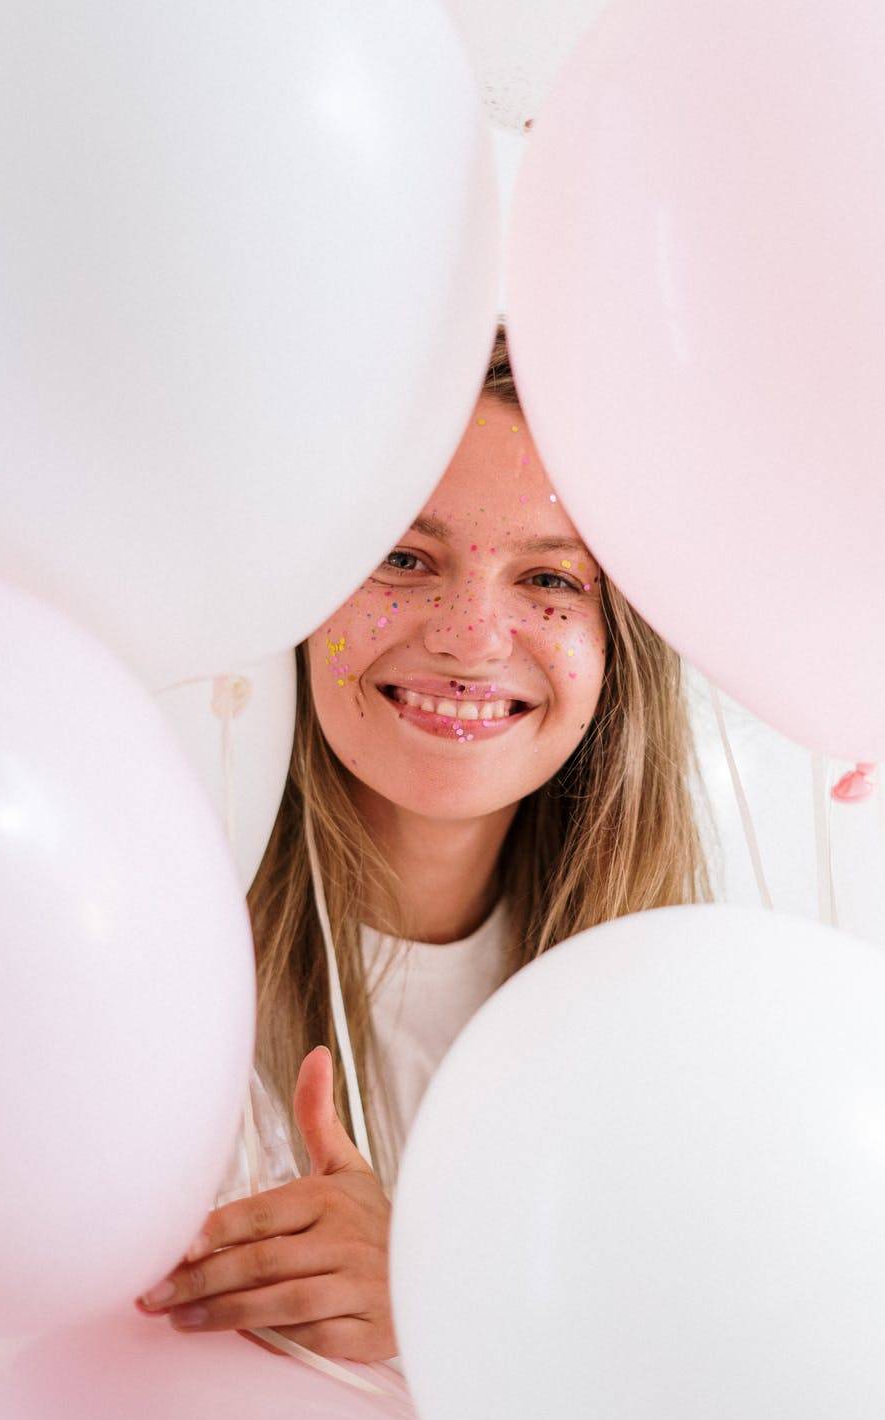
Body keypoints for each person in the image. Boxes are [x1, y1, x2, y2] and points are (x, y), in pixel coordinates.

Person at [135, 322, 712, 1363]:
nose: (469, 637)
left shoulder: (685, 1016)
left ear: (616, 648)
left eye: (550, 581)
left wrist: (441, 1304)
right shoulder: (145, 943)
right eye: (403, 556)